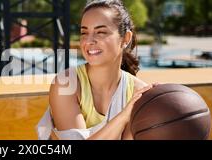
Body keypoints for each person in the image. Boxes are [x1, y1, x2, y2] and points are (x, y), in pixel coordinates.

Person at [37, 0, 154, 140]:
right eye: (84, 33)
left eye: (101, 32)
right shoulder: (67, 84)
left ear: (125, 38)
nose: (89, 41)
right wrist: (123, 117)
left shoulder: (138, 93)